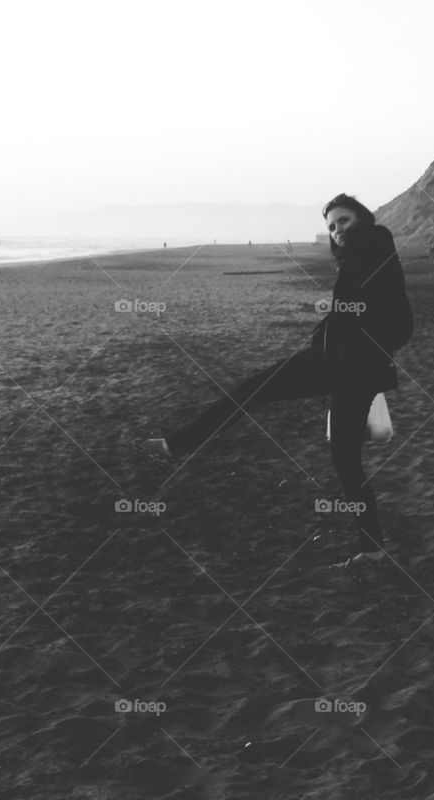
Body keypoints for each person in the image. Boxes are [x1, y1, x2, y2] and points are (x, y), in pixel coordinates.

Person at [146, 194, 414, 567]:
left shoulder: (374, 244)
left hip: (343, 366)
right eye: (332, 226)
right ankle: (373, 549)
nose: (337, 231)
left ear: (363, 220)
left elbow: (395, 321)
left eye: (344, 221)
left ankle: (175, 445)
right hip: (351, 369)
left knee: (252, 391)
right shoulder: (363, 256)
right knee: (345, 459)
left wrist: (349, 342)